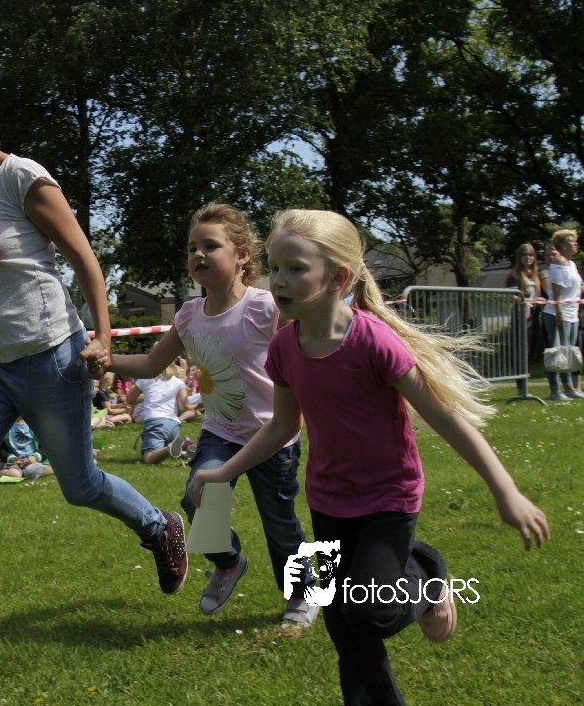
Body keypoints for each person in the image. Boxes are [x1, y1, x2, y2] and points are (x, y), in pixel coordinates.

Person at [187, 208, 549, 705]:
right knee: (347, 633)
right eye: (276, 267)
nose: (280, 281)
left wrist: (505, 491)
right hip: (329, 502)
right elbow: (283, 426)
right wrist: (224, 472)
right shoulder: (284, 348)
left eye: (296, 268)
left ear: (338, 278)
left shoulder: (373, 342)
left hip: (387, 500)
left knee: (373, 611)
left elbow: (445, 418)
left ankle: (427, 573)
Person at [0, 73, 186, 658]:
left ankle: (159, 527)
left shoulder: (24, 179)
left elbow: (84, 260)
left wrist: (103, 340)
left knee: (81, 486)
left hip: (52, 357)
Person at [98, 203, 318, 627]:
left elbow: (304, 357)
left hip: (272, 436)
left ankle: (304, 594)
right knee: (197, 497)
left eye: (211, 246)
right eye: (192, 248)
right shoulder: (189, 315)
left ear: (242, 255)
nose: (198, 254)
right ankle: (229, 562)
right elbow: (149, 364)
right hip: (220, 433)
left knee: (280, 524)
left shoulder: (266, 307)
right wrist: (105, 361)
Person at [541, 229, 582, 400]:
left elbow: (577, 288)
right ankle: (555, 390)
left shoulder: (571, 264)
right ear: (563, 246)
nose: (576, 244)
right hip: (558, 313)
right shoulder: (559, 262)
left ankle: (569, 388)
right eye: (572, 241)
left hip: (572, 314)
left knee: (568, 352)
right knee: (557, 352)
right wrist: (559, 312)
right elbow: (556, 291)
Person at [125, 365, 189, 464]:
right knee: (160, 453)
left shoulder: (145, 379)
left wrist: (146, 397)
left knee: (149, 459)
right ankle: (184, 452)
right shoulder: (179, 382)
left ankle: (169, 448)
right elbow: (183, 407)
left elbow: (129, 399)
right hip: (174, 425)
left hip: (155, 422)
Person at [505, 243, 543, 394]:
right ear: (519, 257)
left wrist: (539, 300)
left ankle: (525, 384)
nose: (528, 258)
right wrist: (523, 300)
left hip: (534, 315)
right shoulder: (514, 275)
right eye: (525, 255)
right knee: (522, 351)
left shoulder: (534, 275)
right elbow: (510, 296)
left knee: (532, 349)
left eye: (531, 255)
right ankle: (521, 388)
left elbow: (538, 295)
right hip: (521, 316)